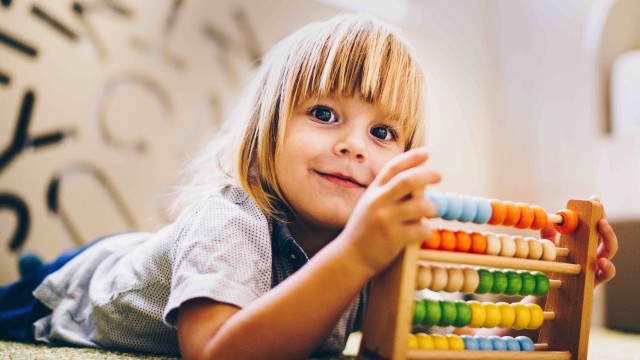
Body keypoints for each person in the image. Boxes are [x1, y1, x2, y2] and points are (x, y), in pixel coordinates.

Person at [0, 13, 617, 359]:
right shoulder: (232, 219)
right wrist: (355, 258)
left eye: (383, 132)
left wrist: (557, 289)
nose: (353, 145)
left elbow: (442, 328)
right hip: (71, 290)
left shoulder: (371, 244)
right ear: (268, 127)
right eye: (324, 115)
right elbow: (216, 353)